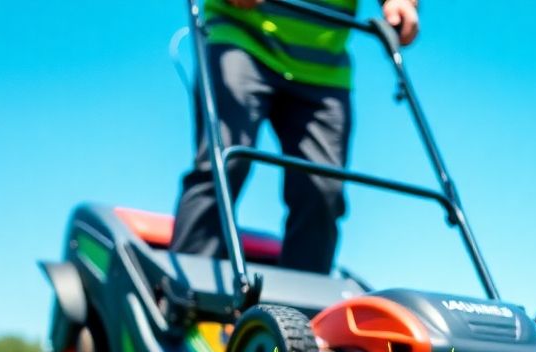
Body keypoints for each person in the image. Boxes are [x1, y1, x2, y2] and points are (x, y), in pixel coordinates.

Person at [170, 0, 420, 274]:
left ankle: (302, 305)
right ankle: (188, 297)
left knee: (323, 189)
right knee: (225, 162)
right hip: (241, 35)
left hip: (324, 67)